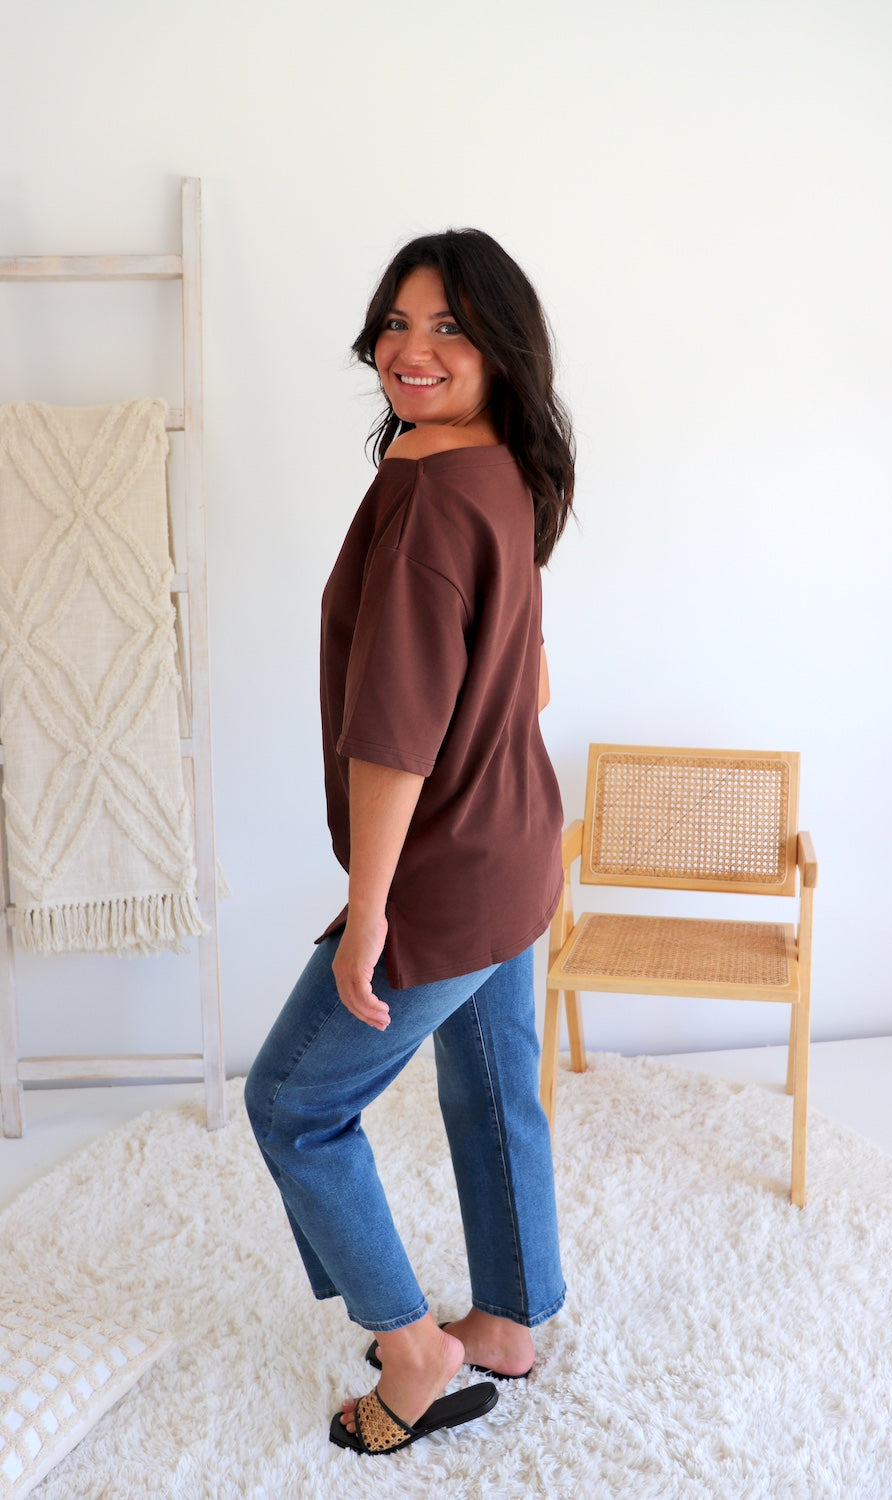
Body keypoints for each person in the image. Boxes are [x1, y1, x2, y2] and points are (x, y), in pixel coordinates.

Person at [245, 228, 575, 1458]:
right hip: (520, 843)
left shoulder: (429, 493)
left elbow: (394, 739)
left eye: (447, 327)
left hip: (446, 875)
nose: (410, 348)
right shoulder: (506, 469)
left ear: (501, 348)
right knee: (492, 1085)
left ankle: (414, 1348)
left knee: (292, 1104)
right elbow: (531, 680)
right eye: (397, 322)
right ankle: (509, 1321)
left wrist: (369, 912)